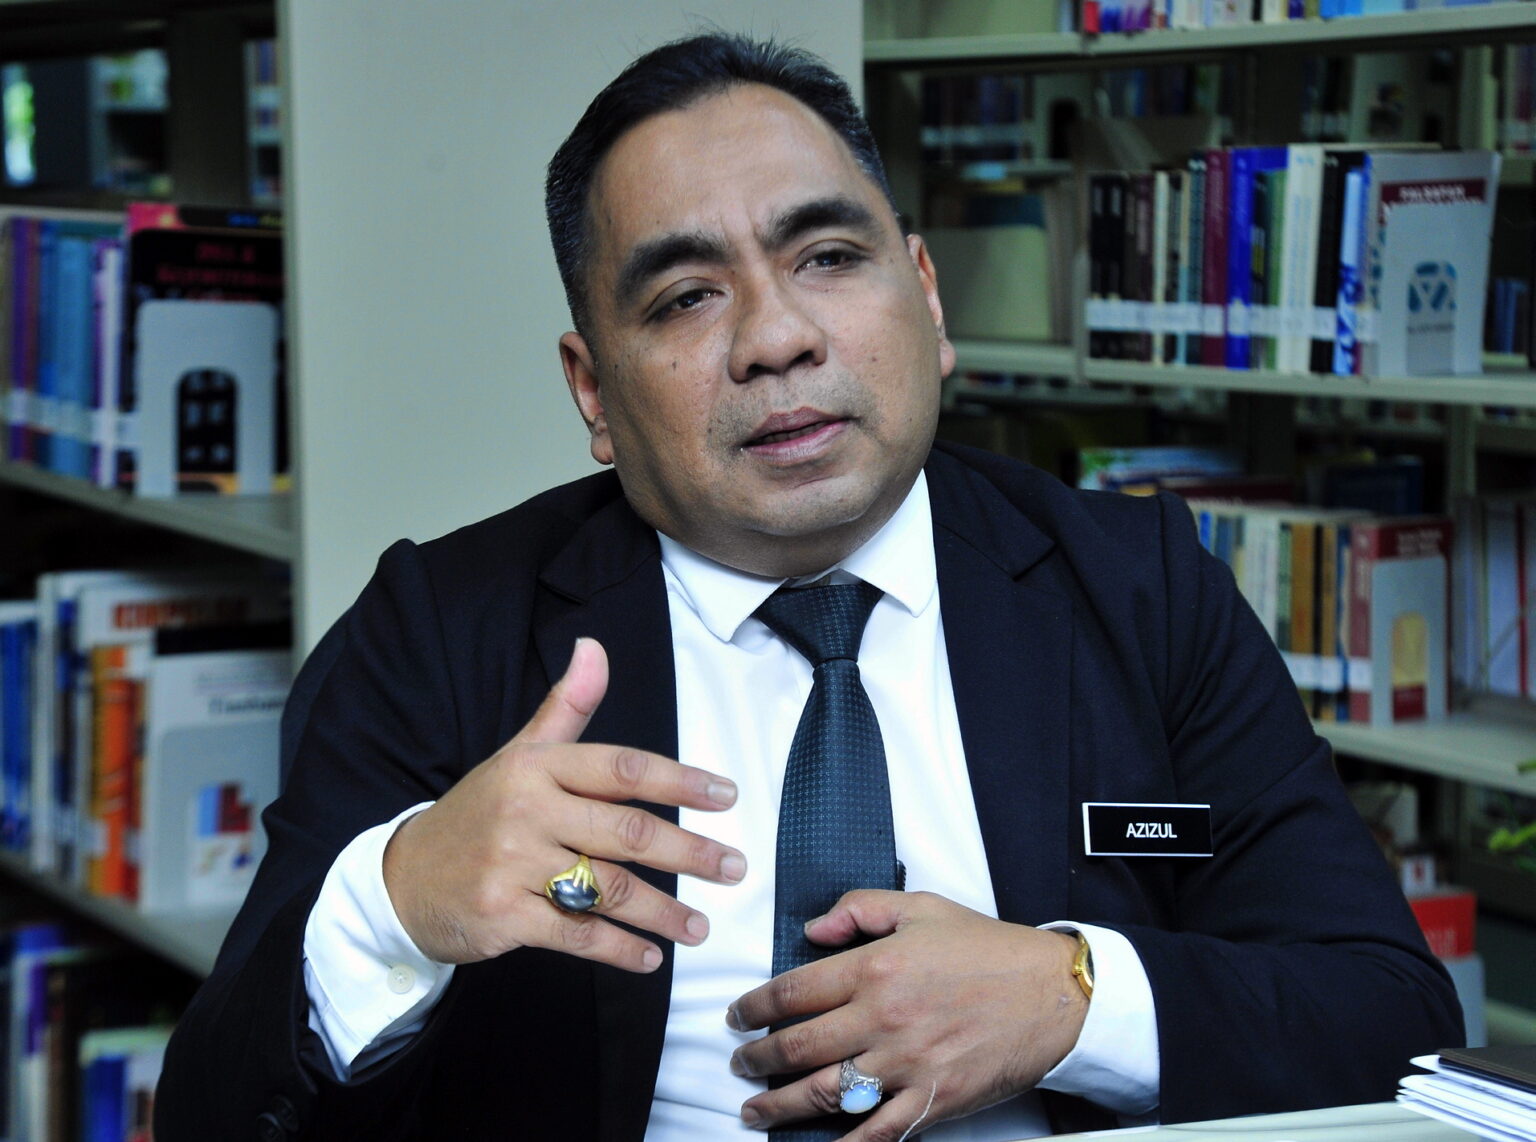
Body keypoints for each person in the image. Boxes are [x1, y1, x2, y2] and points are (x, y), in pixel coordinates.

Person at [155, 32, 1462, 1142]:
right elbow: (215, 1110)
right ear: (593, 392)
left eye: (828, 256)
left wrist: (1070, 997)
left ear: (927, 298)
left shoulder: (1137, 588)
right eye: (685, 297)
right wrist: (392, 907)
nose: (777, 337)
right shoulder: (446, 631)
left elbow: (1389, 1016)